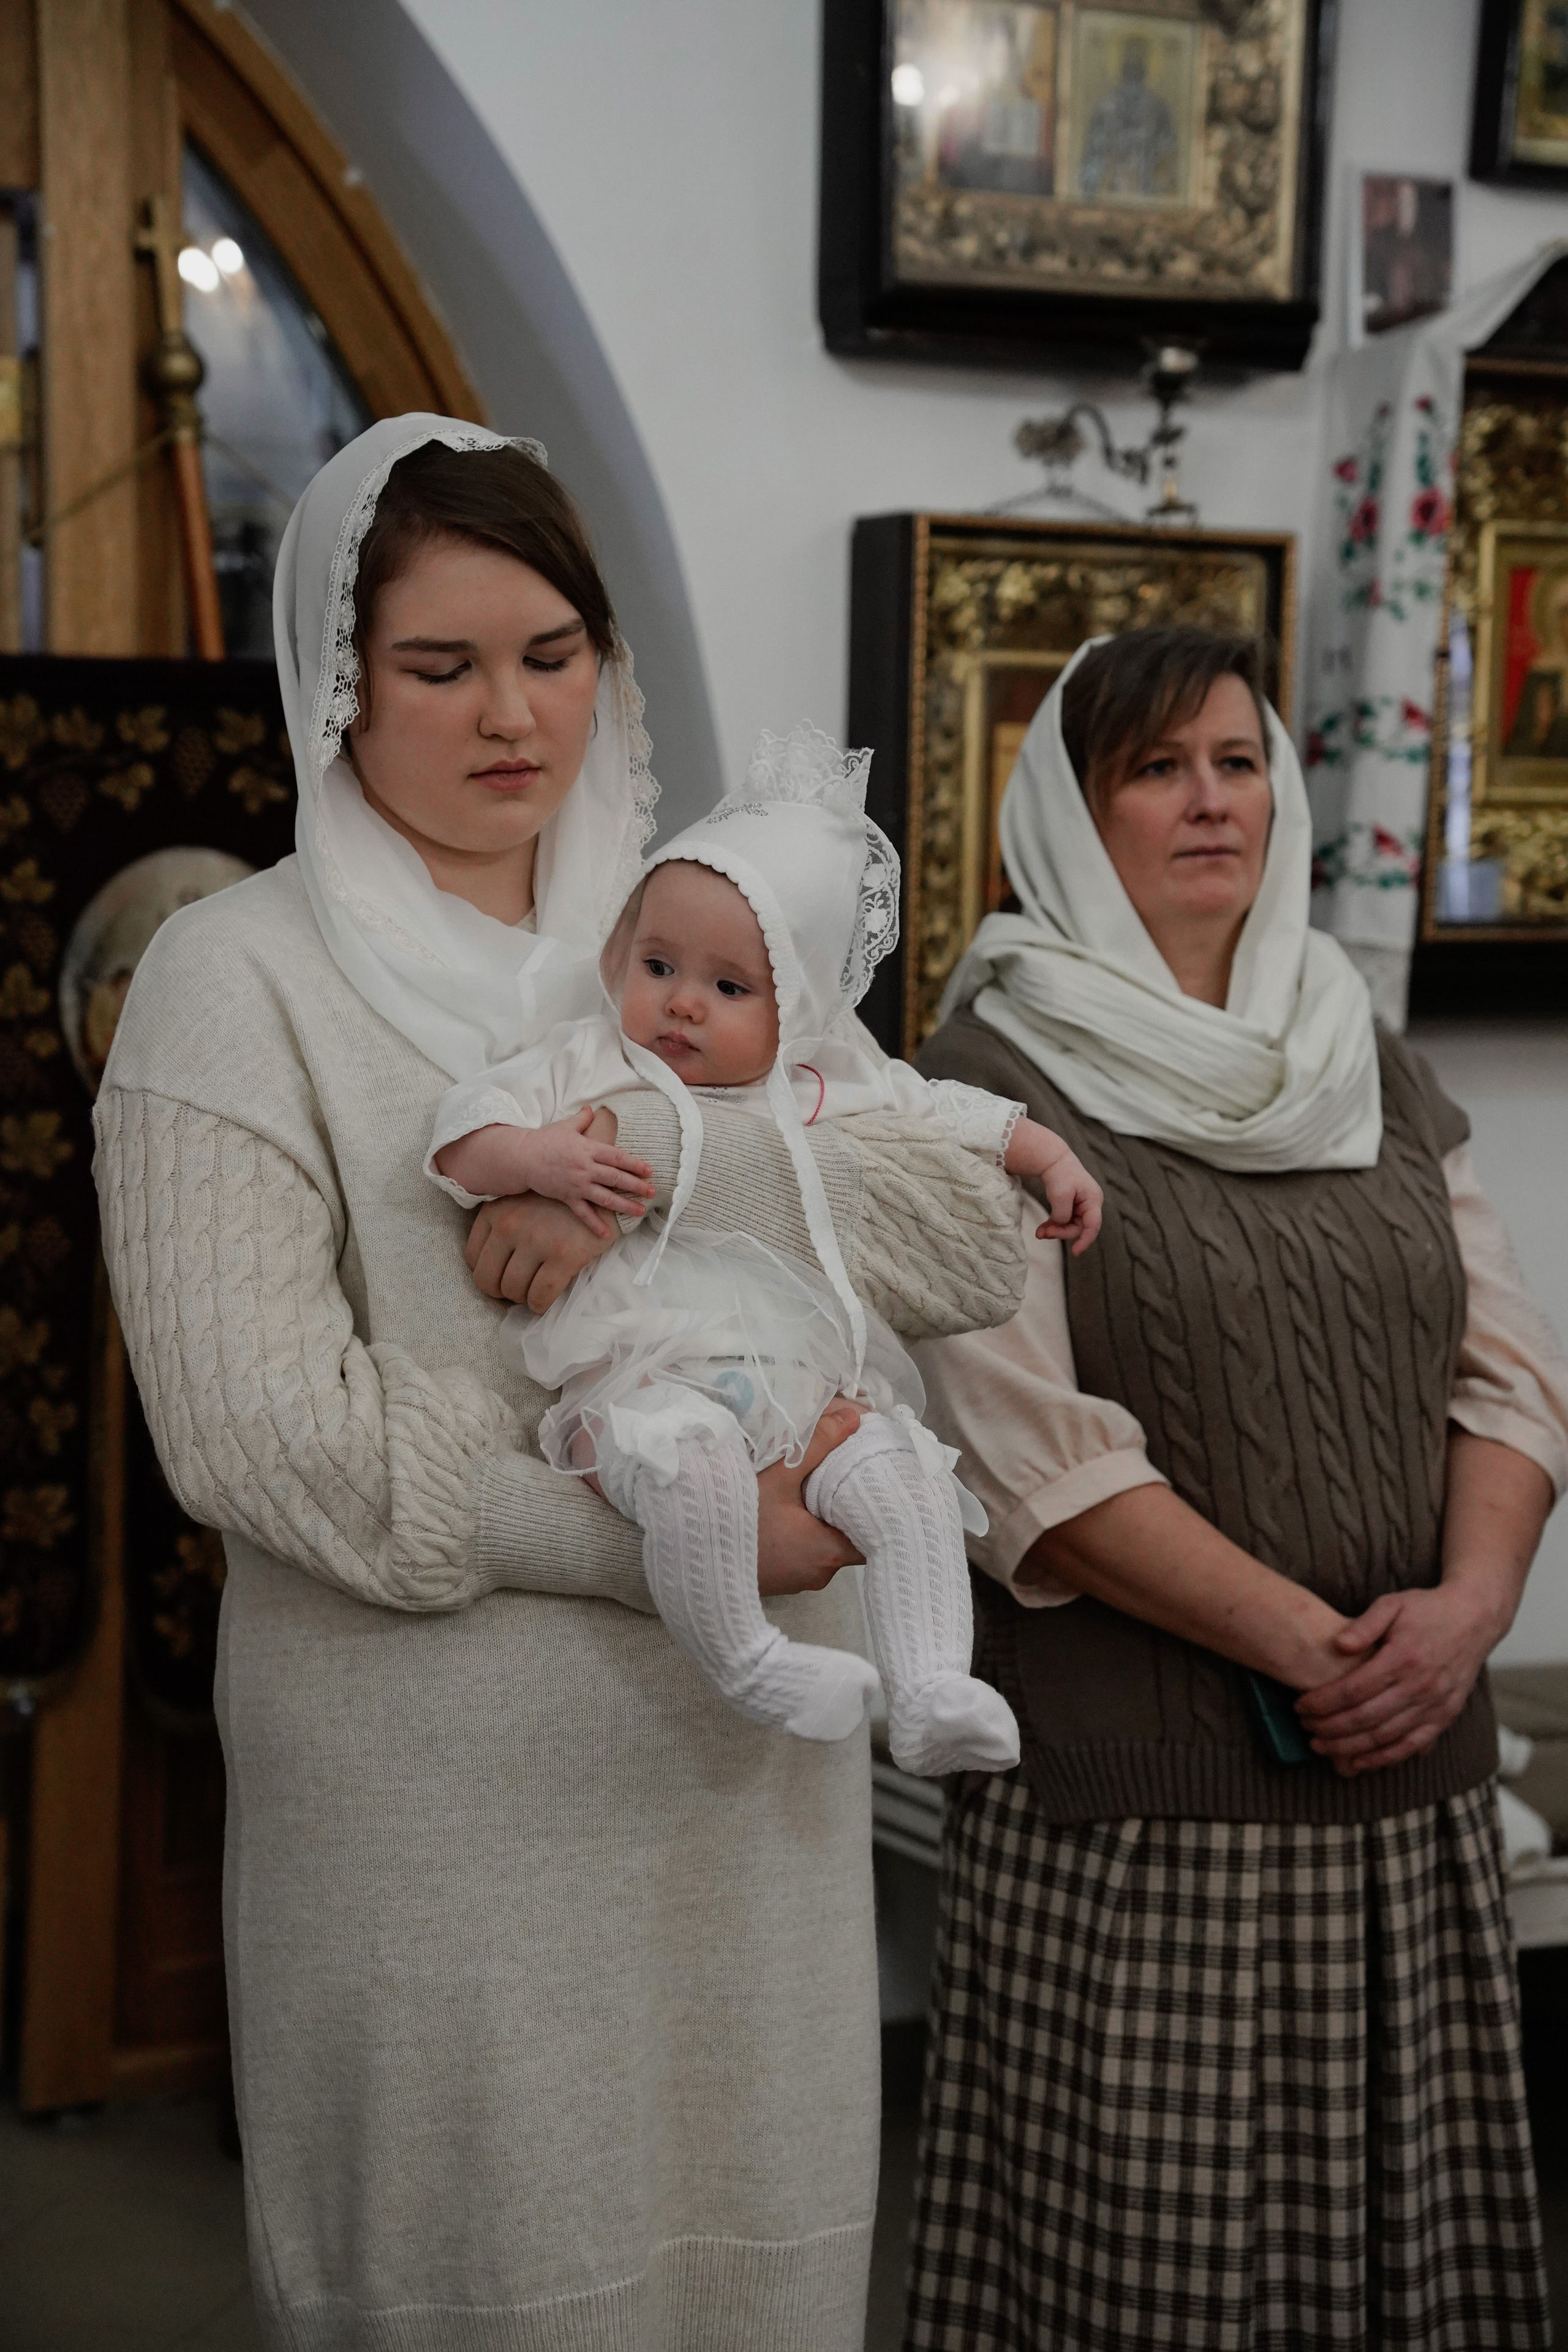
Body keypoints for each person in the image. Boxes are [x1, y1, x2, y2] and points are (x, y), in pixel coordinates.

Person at [91, 415, 1031, 2351]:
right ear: (340, 687)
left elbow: (964, 1246)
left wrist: (663, 1165)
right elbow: (265, 1436)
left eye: (556, 652)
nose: (513, 715)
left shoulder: (696, 933)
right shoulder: (234, 979)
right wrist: (679, 1539)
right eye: (441, 668)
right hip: (440, 1829)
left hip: (734, 1806)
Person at [905, 624, 1568, 2350]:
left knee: (1400, 2271)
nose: (1210, 801)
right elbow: (1028, 1459)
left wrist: (1473, 1615)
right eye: (1154, 768)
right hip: (1152, 1807)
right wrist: (1326, 1652)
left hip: (1407, 1793)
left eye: (1237, 760)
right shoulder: (983, 1088)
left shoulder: (1356, 1043)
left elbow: (1505, 1371)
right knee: (1159, 2294)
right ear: (1065, 813)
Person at [428, 723, 1101, 1775]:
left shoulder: (811, 1084)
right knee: (690, 1471)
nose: (683, 1002)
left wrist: (1045, 1149)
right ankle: (744, 1655)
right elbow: (463, 1135)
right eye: (658, 964)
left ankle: (930, 1685)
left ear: (800, 1009)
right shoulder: (591, 1061)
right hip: (635, 1385)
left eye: (730, 988)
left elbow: (936, 1112)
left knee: (899, 1468)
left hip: (791, 1385)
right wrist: (540, 1161)